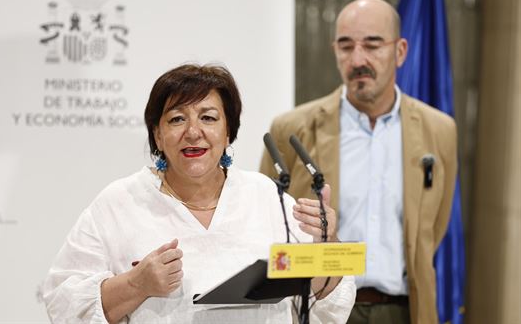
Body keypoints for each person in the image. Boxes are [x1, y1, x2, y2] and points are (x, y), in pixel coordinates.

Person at [43, 64, 356, 323]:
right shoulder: (120, 202)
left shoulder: (266, 197)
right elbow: (64, 304)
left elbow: (323, 309)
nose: (193, 132)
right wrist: (136, 285)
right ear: (157, 135)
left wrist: (326, 249)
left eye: (208, 117)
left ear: (228, 131)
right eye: (177, 119)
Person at [259, 0, 457, 324]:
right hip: (322, 307)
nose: (358, 59)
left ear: (401, 51)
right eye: (346, 46)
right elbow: (265, 219)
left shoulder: (439, 130)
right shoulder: (292, 129)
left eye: (372, 45)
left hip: (405, 310)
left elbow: (433, 228)